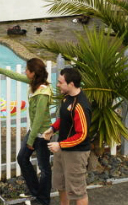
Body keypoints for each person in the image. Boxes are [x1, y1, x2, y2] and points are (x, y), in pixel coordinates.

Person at [0, 59, 53, 205]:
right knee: (22, 158)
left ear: (33, 72)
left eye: (27, 69)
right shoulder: (34, 83)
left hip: (42, 134)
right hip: (35, 131)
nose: (24, 72)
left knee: (44, 168)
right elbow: (15, 76)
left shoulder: (43, 93)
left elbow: (39, 120)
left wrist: (30, 141)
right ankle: (36, 192)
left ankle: (43, 200)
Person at [43, 68, 92, 205]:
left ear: (71, 84)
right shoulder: (67, 97)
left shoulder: (80, 106)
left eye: (60, 82)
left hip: (76, 154)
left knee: (78, 191)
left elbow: (82, 135)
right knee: (61, 185)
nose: (57, 85)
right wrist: (53, 129)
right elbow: (64, 118)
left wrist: (60, 145)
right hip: (63, 150)